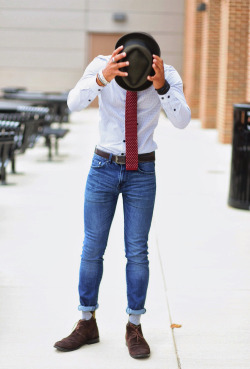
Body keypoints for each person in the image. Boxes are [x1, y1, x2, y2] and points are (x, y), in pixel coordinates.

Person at [54, 32, 191, 359]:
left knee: (137, 251)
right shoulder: (102, 65)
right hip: (103, 166)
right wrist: (103, 78)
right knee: (92, 246)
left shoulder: (166, 74)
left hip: (142, 171)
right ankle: (86, 321)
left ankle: (134, 326)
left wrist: (161, 88)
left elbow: (182, 120)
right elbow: (74, 103)